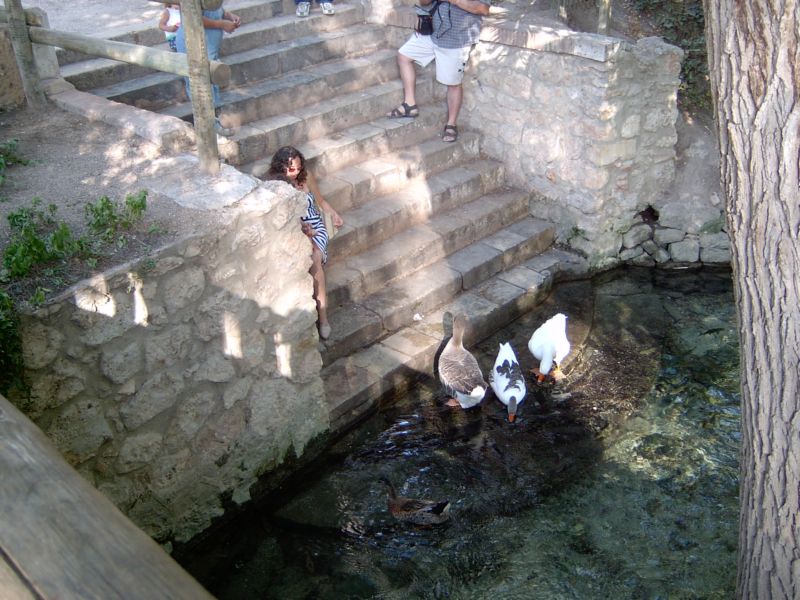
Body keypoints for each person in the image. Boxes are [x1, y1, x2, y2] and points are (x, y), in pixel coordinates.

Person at [267, 146, 344, 340]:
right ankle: (321, 314)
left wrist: (333, 213)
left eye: (299, 168)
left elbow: (320, 201)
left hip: (316, 227)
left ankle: (323, 318)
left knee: (315, 257)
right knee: (310, 255)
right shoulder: (277, 186)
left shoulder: (305, 177)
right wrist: (302, 230)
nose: (297, 173)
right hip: (295, 229)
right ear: (281, 167)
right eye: (292, 169)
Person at [387, 0, 490, 143]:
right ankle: (409, 104)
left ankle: (451, 124)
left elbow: (483, 8)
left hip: (456, 39)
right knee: (404, 56)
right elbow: (423, 3)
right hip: (432, 32)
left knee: (453, 83)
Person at [174, 4, 241, 136]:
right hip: (194, 43)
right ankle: (209, 127)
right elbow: (193, 17)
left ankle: (215, 122)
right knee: (200, 85)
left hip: (210, 47)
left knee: (212, 81)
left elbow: (213, 6)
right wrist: (221, 24)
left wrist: (228, 15)